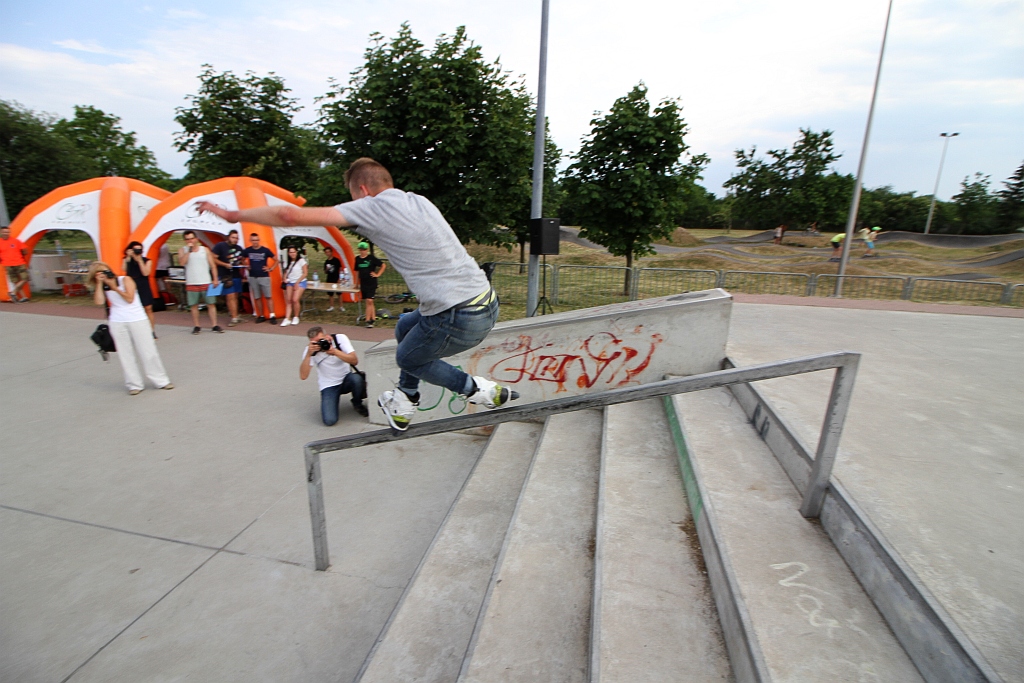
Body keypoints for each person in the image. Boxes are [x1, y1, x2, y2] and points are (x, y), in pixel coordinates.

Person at [196, 157, 517, 433]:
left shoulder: (373, 205)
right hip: (485, 302)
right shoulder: (418, 201)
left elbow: (290, 217)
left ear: (362, 191)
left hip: (456, 315)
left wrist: (232, 216)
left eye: (352, 198)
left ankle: (477, 390)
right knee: (405, 326)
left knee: (407, 357)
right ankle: (405, 401)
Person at [87, 261, 173, 395]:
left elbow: (130, 299)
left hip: (137, 319)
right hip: (118, 321)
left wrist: (114, 287)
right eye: (100, 274)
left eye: (105, 271)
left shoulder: (125, 280)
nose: (104, 275)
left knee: (148, 351)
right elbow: (99, 302)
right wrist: (99, 284)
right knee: (125, 354)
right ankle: (134, 384)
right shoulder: (103, 286)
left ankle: (161, 380)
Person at [300, 326, 368, 424]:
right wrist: (308, 355)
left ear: (327, 336)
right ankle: (332, 399)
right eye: (315, 343)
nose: (319, 345)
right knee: (330, 420)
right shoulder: (310, 351)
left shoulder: (339, 339)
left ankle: (357, 403)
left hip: (346, 380)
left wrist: (335, 352)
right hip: (329, 385)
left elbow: (354, 360)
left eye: (320, 341)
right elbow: (303, 376)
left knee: (357, 379)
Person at [179, 230, 222, 334]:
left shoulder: (205, 250)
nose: (190, 241)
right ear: (185, 240)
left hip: (206, 281)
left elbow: (212, 265)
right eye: (188, 239)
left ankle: (214, 325)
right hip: (191, 282)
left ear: (196, 239)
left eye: (192, 238)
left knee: (211, 304)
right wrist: (189, 251)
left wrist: (215, 278)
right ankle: (197, 326)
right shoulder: (183, 250)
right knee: (194, 305)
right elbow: (182, 263)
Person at [241, 233, 277, 324]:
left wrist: (270, 268)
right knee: (257, 297)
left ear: (259, 240)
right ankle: (261, 315)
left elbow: (276, 260)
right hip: (253, 276)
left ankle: (272, 315)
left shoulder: (265, 250)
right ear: (251, 241)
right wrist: (246, 265)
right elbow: (241, 258)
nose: (255, 242)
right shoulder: (247, 250)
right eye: (253, 240)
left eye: (256, 240)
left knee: (268, 296)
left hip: (264, 276)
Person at [212, 229, 245, 325]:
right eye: (233, 237)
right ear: (228, 237)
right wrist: (224, 264)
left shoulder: (239, 248)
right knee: (230, 296)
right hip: (225, 275)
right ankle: (233, 318)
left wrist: (243, 264)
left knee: (235, 296)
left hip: (236, 274)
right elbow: (213, 258)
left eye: (237, 238)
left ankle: (236, 315)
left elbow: (242, 259)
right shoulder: (220, 246)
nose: (235, 240)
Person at [122, 241, 156, 332]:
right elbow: (124, 269)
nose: (137, 251)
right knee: (132, 308)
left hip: (143, 283)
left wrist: (140, 260)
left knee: (148, 308)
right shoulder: (127, 259)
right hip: (131, 283)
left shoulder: (147, 261)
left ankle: (151, 331)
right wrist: (128, 256)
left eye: (139, 250)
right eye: (135, 249)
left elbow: (146, 273)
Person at [354, 241, 385, 328]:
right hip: (363, 282)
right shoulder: (357, 259)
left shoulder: (371, 258)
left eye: (364, 249)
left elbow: (383, 265)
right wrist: (356, 283)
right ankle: (373, 317)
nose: (362, 251)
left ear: (367, 250)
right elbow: (357, 272)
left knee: (369, 300)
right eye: (361, 249)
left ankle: (368, 320)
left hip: (371, 281)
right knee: (369, 301)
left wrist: (377, 274)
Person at [1, 225, 31, 302]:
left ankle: (13, 292)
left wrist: (21, 255)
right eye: (4, 232)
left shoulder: (15, 241)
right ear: (1, 232)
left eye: (7, 232)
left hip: (19, 262)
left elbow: (24, 250)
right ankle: (23, 297)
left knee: (25, 278)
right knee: (15, 281)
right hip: (8, 264)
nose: (6, 233)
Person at [280, 246, 307, 326]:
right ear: (288, 253)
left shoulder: (301, 261)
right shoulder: (287, 262)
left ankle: (296, 316)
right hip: (290, 282)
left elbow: (305, 273)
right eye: (291, 252)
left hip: (300, 281)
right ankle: (287, 318)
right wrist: (284, 278)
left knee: (295, 299)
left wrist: (297, 282)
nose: (292, 254)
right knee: (289, 300)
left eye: (294, 252)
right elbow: (286, 272)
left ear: (296, 252)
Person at [322, 245, 345, 311]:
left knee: (339, 293)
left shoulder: (336, 260)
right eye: (326, 252)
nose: (328, 253)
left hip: (336, 277)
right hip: (329, 278)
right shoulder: (326, 262)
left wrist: (340, 278)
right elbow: (325, 272)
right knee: (330, 293)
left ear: (331, 252)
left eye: (329, 252)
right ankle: (331, 306)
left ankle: (341, 306)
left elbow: (340, 269)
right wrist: (326, 269)